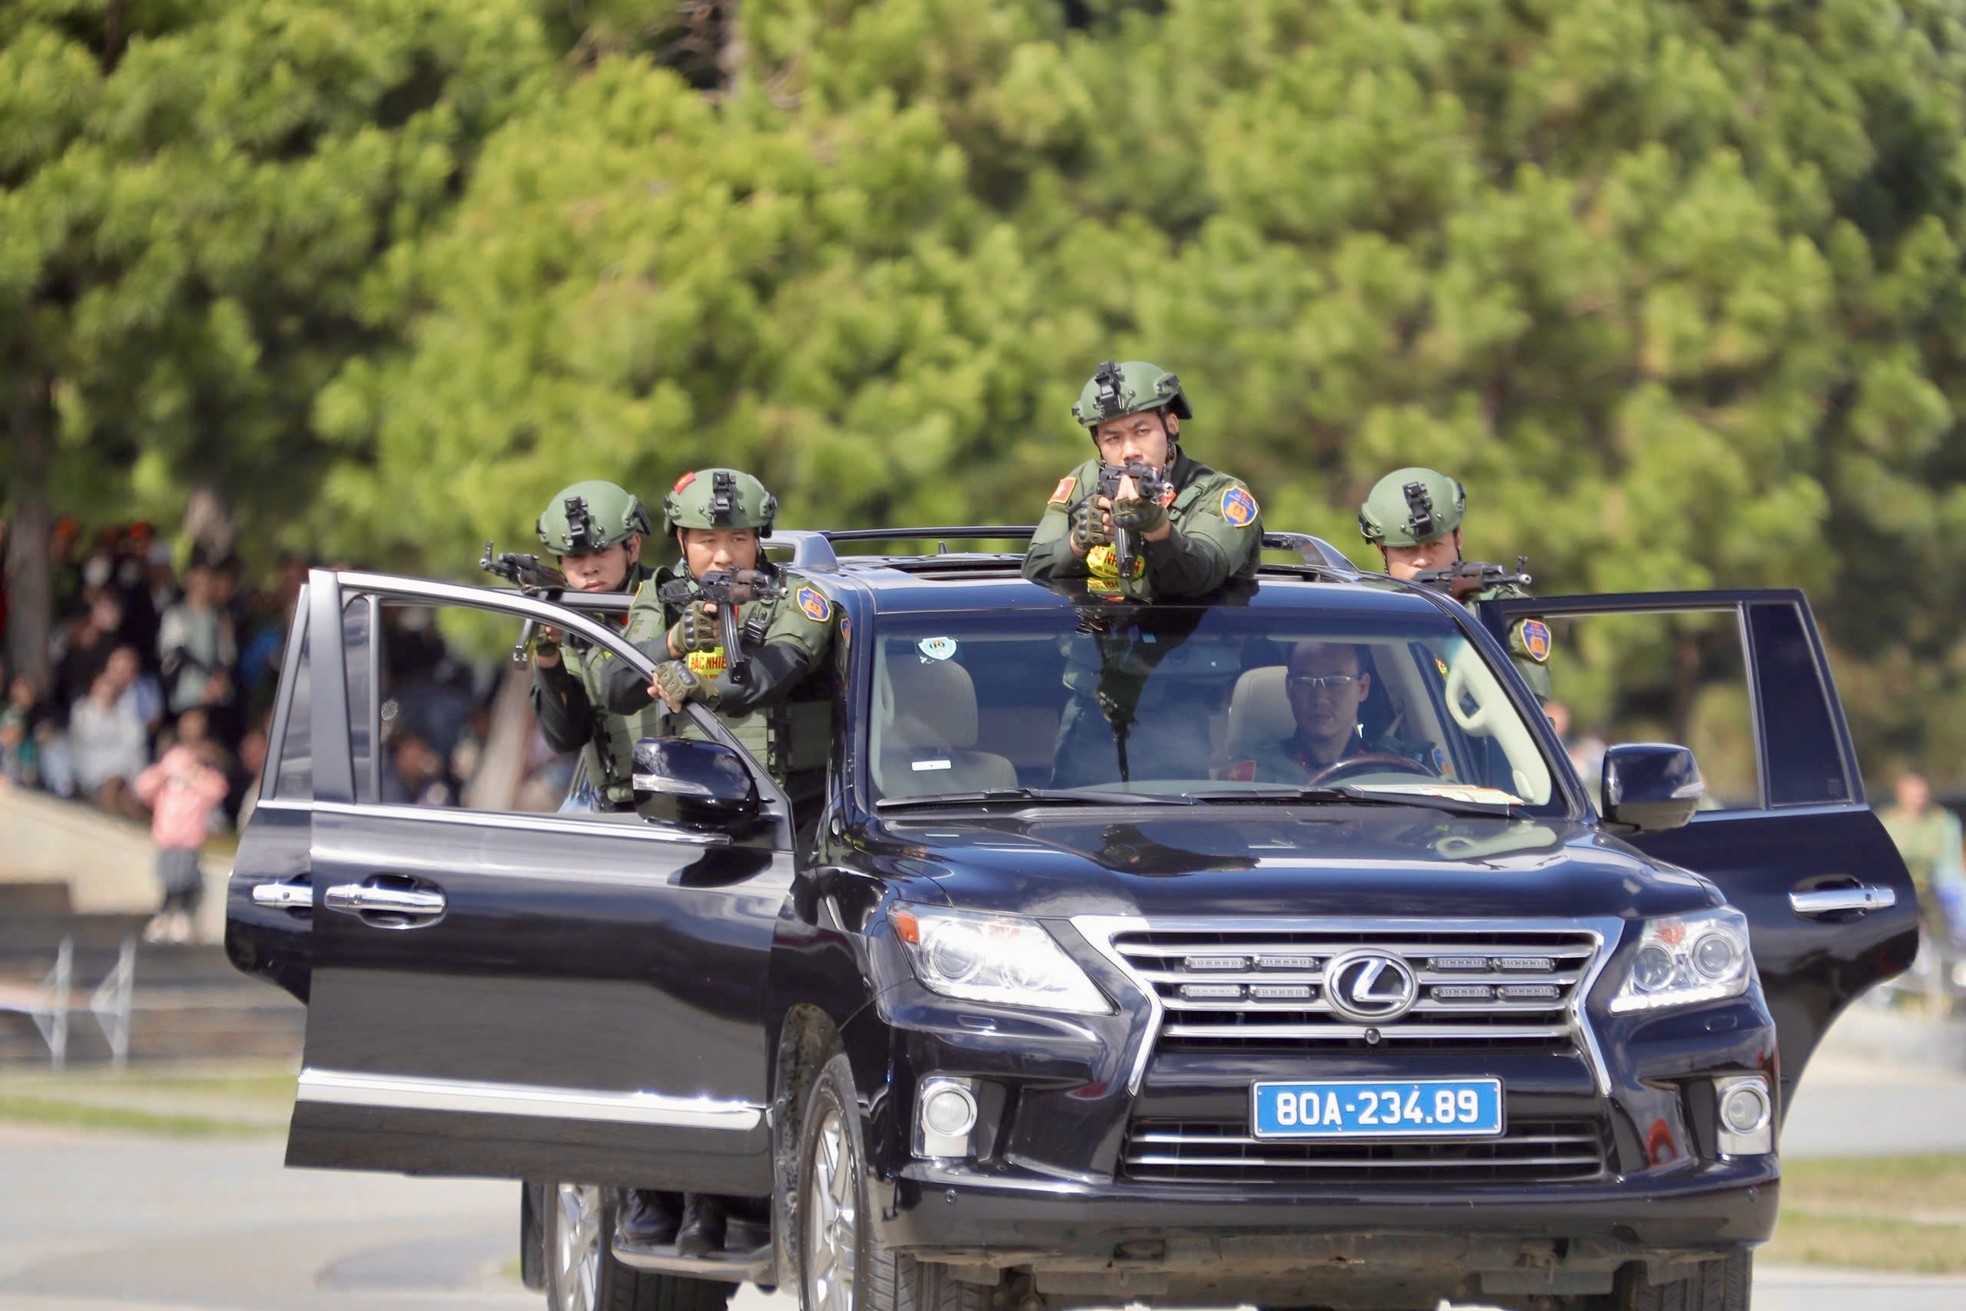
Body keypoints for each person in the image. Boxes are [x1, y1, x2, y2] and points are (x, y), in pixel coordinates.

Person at [604, 467, 837, 1257]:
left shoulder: (798, 598)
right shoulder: (658, 598)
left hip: (782, 827)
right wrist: (665, 651)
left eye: (736, 538)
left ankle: (738, 1199)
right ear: (681, 541)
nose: (720, 554)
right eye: (706, 539)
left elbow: (781, 668)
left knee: (757, 1019)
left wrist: (716, 671)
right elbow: (610, 682)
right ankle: (660, 1187)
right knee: (667, 1010)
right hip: (686, 827)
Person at [1024, 360, 1262, 600]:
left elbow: (1199, 577)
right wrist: (1077, 542)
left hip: (1199, 635)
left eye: (1141, 432)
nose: (1129, 451)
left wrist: (1158, 530)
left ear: (1171, 426)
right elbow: (1033, 569)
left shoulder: (1220, 493)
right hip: (1102, 632)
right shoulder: (1085, 482)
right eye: (1112, 438)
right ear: (1098, 444)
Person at [1358, 467, 1552, 703]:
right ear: (1382, 549)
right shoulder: (1361, 610)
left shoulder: (1501, 613)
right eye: (1407, 549)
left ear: (1458, 537)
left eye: (1434, 546)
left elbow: (1525, 709)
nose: (1422, 560)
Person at [526, 481, 663, 812]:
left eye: (601, 552)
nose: (588, 567)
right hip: (610, 803)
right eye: (574, 557)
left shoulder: (670, 600)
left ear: (633, 546)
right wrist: (548, 656)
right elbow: (564, 737)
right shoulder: (574, 623)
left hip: (685, 801)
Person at [1229, 641, 1437, 783]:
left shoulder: (1401, 769)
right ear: (1289, 689)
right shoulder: (1256, 772)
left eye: (1336, 682)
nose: (1320, 698)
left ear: (1362, 688)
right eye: (1305, 682)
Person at [1878, 770, 1966, 1017]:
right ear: (1901, 796)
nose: (1919, 799)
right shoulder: (1889, 822)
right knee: (1901, 942)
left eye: (1922, 794)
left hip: (1931, 888)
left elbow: (1949, 865)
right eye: (1914, 794)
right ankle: (1900, 996)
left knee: (1943, 939)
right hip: (1899, 890)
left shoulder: (1940, 821)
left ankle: (1947, 998)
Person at [132, 733, 230, 942]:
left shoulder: (198, 784)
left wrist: (197, 776)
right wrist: (161, 774)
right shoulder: (163, 786)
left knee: (186, 878)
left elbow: (218, 790)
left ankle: (181, 915)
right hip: (166, 840)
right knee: (167, 878)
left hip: (188, 842)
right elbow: (142, 787)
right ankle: (165, 914)